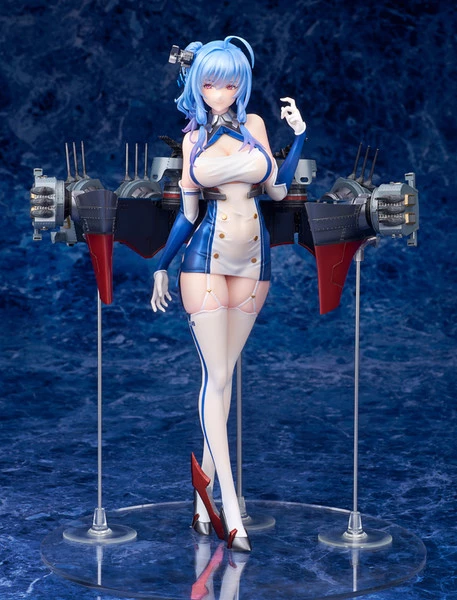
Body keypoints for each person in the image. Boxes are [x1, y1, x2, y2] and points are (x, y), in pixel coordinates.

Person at [151, 36, 306, 552]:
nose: (221, 93)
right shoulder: (193, 139)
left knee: (225, 377)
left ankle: (202, 501)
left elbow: (278, 190)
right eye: (211, 84)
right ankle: (231, 509)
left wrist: (299, 137)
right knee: (216, 376)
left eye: (230, 84)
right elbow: (187, 214)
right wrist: (162, 266)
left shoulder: (255, 125)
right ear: (197, 85)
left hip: (255, 265)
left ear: (242, 84)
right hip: (204, 264)